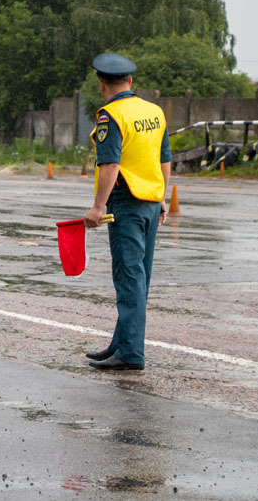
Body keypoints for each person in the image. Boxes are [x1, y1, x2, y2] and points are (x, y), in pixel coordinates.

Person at [84, 52, 171, 371]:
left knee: (129, 277)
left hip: (127, 202)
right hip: (150, 202)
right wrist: (162, 197)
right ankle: (121, 343)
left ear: (101, 84)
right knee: (139, 277)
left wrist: (97, 206)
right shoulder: (154, 112)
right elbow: (164, 158)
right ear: (130, 81)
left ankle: (131, 353)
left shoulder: (111, 115)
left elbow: (110, 164)